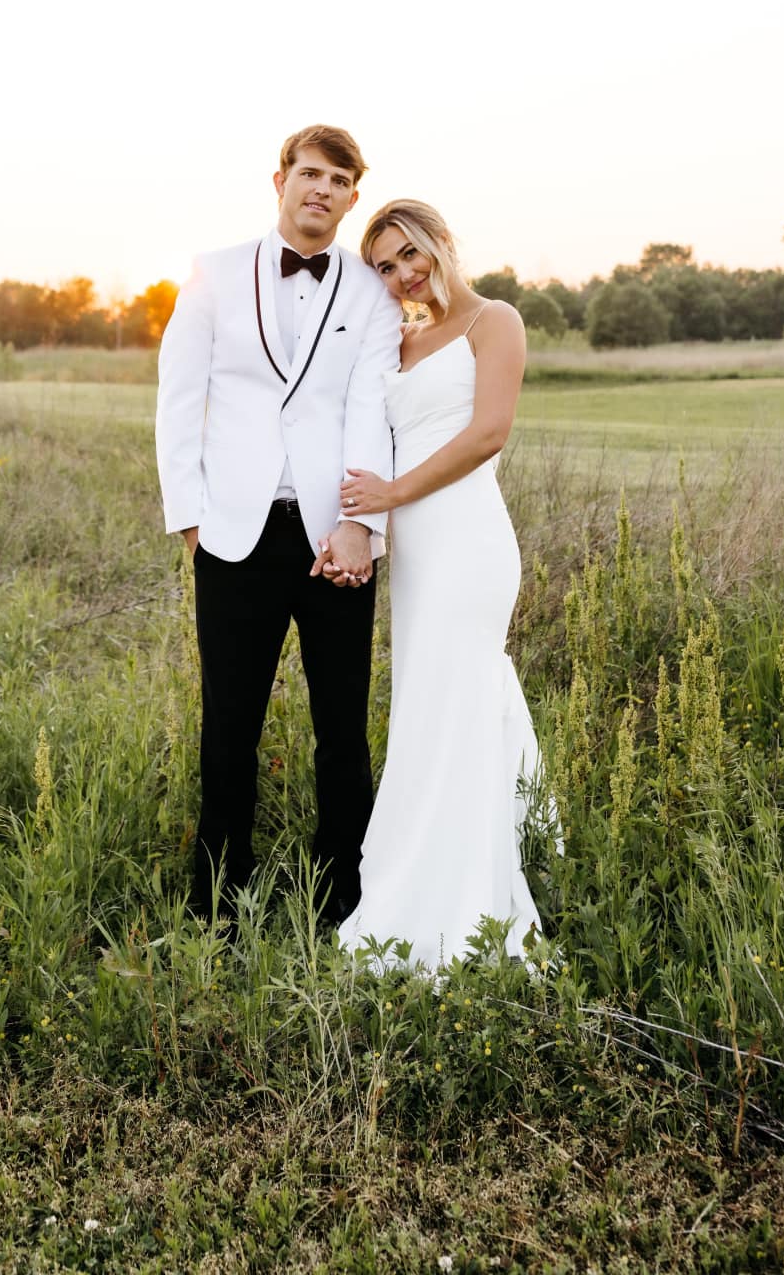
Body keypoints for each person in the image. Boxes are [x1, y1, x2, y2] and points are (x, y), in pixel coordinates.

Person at [155, 125, 402, 923]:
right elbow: (179, 400)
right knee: (229, 726)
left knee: (343, 728)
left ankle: (345, 902)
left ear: (352, 196)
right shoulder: (215, 274)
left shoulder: (370, 290)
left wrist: (363, 526)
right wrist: (191, 518)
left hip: (334, 536)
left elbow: (369, 406)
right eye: (308, 173)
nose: (320, 189)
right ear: (280, 180)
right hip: (234, 534)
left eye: (337, 179)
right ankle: (219, 905)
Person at [334, 199, 544, 969]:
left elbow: (488, 432)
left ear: (441, 243)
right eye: (384, 266)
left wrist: (392, 494)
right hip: (417, 555)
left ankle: (462, 894)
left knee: (453, 698)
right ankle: (439, 856)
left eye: (409, 255)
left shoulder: (496, 321)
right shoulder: (401, 339)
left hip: (467, 540)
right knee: (428, 704)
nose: (401, 275)